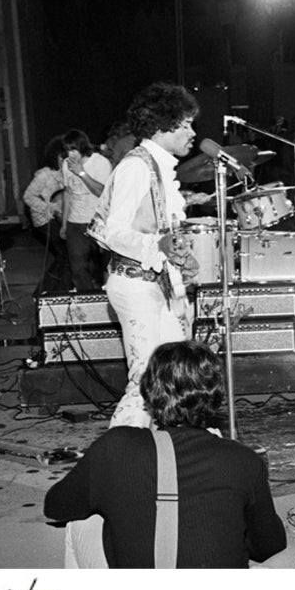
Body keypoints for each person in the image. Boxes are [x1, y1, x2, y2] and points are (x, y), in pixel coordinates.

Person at [44, 341, 287, 568]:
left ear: (148, 392)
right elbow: (269, 547)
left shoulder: (115, 445)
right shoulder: (243, 460)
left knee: (81, 521)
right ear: (216, 396)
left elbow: (56, 507)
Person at [93, 82, 201, 429]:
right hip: (135, 287)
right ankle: (120, 461)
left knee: (172, 376)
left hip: (158, 284)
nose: (192, 132)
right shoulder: (136, 167)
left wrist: (180, 256)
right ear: (161, 125)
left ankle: (162, 456)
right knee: (145, 381)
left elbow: (161, 230)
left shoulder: (160, 169)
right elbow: (114, 232)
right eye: (184, 124)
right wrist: (158, 246)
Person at [62, 128, 111, 290]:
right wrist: (64, 223)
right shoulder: (65, 165)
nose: (71, 154)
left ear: (83, 147)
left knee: (104, 267)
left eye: (74, 150)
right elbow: (67, 194)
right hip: (75, 222)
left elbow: (103, 192)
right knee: (78, 268)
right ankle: (86, 301)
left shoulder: (100, 163)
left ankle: (107, 299)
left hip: (98, 221)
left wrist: (82, 173)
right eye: (68, 150)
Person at [22, 136, 71, 293]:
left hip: (55, 218)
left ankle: (51, 290)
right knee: (65, 254)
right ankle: (46, 291)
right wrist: (49, 207)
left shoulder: (65, 173)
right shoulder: (44, 175)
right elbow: (28, 197)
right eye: (63, 156)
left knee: (65, 256)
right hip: (43, 220)